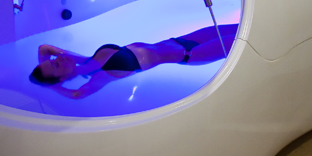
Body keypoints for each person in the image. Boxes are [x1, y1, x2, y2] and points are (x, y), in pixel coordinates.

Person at [29, 24, 238, 99]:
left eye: (54, 59)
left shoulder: (84, 61)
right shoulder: (98, 77)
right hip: (191, 54)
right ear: (61, 78)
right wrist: (53, 87)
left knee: (241, 25)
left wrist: (49, 72)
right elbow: (77, 95)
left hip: (180, 40)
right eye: (55, 64)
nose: (58, 58)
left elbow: (44, 48)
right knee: (244, 40)